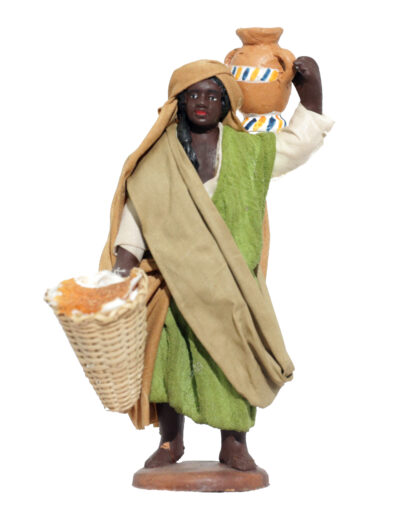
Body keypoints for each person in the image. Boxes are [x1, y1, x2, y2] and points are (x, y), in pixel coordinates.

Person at [100, 59, 333, 471]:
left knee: (234, 365)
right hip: (176, 288)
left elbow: (294, 146)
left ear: (226, 103)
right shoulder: (159, 160)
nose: (202, 101)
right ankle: (170, 441)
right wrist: (123, 266)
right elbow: (139, 211)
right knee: (169, 366)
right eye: (194, 94)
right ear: (179, 102)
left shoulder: (248, 151)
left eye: (212, 95)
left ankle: (234, 443)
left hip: (233, 290)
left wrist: (311, 94)